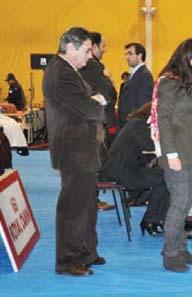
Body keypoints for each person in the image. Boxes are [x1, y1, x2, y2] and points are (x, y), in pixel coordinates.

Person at [43, 27, 107, 276]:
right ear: (71, 47)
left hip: (81, 149)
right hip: (74, 149)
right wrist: (98, 103)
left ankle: (85, 252)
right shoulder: (61, 73)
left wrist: (94, 102)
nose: (90, 56)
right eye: (87, 50)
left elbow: (85, 104)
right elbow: (88, 108)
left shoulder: (67, 71)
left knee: (87, 204)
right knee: (73, 208)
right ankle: (68, 261)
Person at [149, 38, 192, 272]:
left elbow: (188, 122)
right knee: (180, 203)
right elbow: (163, 121)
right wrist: (170, 153)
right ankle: (171, 254)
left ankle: (181, 249)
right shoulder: (169, 83)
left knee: (183, 203)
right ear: (185, 59)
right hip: (175, 154)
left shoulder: (186, 83)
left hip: (187, 152)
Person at [100, 103, 169, 237]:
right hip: (123, 172)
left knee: (165, 177)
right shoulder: (138, 125)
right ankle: (150, 220)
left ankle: (154, 219)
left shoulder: (136, 123)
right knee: (165, 179)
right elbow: (149, 145)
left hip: (124, 168)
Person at [78, 31, 118, 211]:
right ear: (93, 47)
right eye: (103, 46)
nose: (105, 50)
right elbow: (107, 92)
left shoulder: (84, 66)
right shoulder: (93, 67)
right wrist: (108, 78)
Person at [117, 42, 153, 129]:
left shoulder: (144, 75)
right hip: (127, 124)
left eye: (130, 54)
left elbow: (144, 104)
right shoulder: (134, 74)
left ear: (140, 55)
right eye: (126, 54)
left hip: (134, 125)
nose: (127, 57)